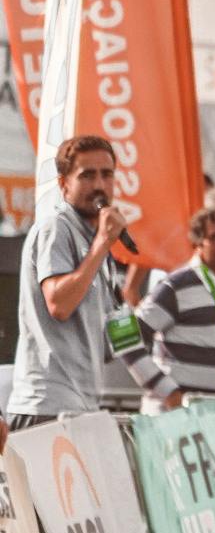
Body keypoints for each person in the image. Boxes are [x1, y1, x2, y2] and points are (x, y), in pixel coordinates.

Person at [5, 135, 132, 435]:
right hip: (47, 406)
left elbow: (111, 338)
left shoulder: (96, 241)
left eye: (107, 174)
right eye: (87, 175)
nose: (99, 184)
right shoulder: (57, 227)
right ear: (64, 184)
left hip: (82, 404)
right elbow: (59, 304)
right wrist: (102, 244)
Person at [119, 205, 215, 414]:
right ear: (198, 242)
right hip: (174, 418)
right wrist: (167, 391)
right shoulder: (175, 286)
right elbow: (125, 338)